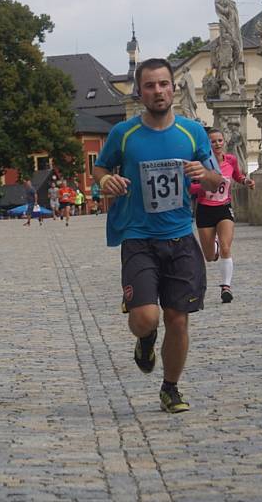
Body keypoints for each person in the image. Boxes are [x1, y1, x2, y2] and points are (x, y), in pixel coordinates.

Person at [93, 57, 221, 414]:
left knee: (178, 319)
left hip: (180, 236)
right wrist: (106, 180)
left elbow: (215, 179)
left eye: (164, 84)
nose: (158, 91)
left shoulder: (192, 132)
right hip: (139, 237)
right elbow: (101, 166)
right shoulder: (124, 134)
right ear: (140, 91)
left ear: (174, 88)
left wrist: (203, 173)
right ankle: (145, 338)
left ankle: (171, 388)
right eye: (150, 85)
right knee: (146, 318)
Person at [191, 127, 255, 303]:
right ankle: (216, 247)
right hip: (205, 209)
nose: (217, 144)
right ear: (207, 144)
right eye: (213, 141)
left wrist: (245, 181)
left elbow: (237, 175)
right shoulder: (201, 164)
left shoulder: (231, 160)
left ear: (224, 142)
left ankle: (226, 287)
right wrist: (204, 186)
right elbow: (190, 187)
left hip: (224, 208)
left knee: (227, 247)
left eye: (220, 140)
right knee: (210, 256)